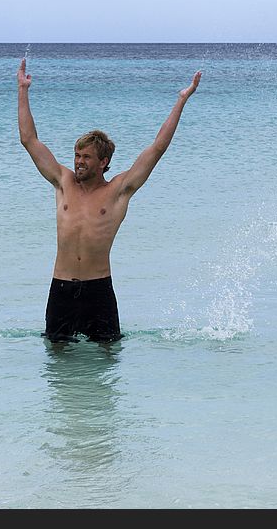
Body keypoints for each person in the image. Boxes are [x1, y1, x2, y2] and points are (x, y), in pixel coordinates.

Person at [17, 58, 201, 343]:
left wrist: (182, 100)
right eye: (77, 155)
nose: (78, 162)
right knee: (57, 365)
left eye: (86, 157)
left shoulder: (118, 191)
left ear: (103, 162)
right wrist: (22, 89)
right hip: (61, 289)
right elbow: (29, 140)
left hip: (99, 290)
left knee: (106, 363)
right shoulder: (63, 182)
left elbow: (157, 148)